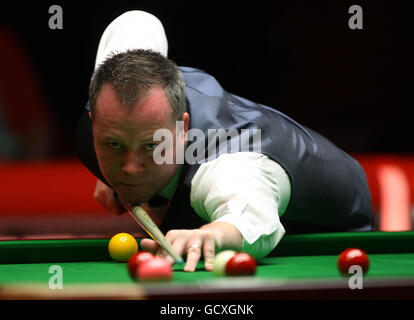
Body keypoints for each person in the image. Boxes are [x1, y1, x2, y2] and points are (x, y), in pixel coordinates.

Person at [76, 11, 372, 272]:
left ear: (183, 129)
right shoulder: (110, 92)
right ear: (94, 122)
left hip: (330, 234)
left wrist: (214, 234)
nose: (129, 168)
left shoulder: (228, 163)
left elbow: (251, 214)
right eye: (114, 145)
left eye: (151, 146)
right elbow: (138, 21)